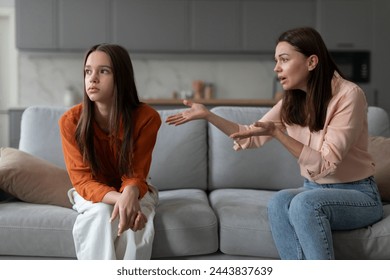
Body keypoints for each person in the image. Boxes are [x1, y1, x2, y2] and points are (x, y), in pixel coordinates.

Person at [166, 27, 383, 260]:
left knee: (304, 205)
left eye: (284, 59)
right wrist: (209, 115)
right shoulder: (293, 99)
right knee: (279, 202)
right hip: (313, 190)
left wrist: (280, 135)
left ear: (311, 62)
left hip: (357, 195)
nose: (276, 68)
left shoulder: (349, 95)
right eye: (276, 60)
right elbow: (249, 134)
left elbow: (326, 163)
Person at [59, 43, 161, 260]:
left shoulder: (147, 118)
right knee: (101, 214)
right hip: (92, 190)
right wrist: (122, 200)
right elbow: (83, 182)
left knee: (134, 226)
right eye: (88, 71)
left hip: (135, 187)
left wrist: (130, 195)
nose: (92, 78)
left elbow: (136, 173)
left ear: (121, 77)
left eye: (103, 71)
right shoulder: (70, 121)